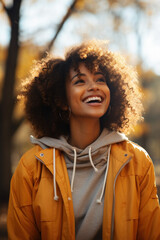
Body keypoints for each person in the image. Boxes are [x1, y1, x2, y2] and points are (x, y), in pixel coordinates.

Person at [7, 40, 160, 240]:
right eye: (80, 81)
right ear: (61, 100)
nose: (94, 87)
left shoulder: (138, 161)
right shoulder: (30, 167)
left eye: (100, 79)